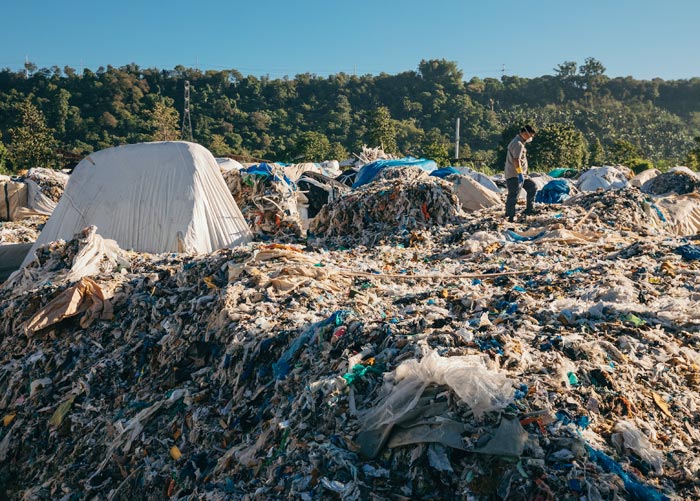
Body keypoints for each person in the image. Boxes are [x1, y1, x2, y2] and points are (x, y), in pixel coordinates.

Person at [504, 124, 538, 223]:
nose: (530, 138)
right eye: (530, 135)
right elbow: (516, 160)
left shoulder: (520, 142)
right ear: (524, 133)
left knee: (532, 187)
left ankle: (529, 209)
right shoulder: (517, 143)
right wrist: (519, 173)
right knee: (514, 195)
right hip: (514, 174)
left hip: (522, 174)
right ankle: (510, 216)